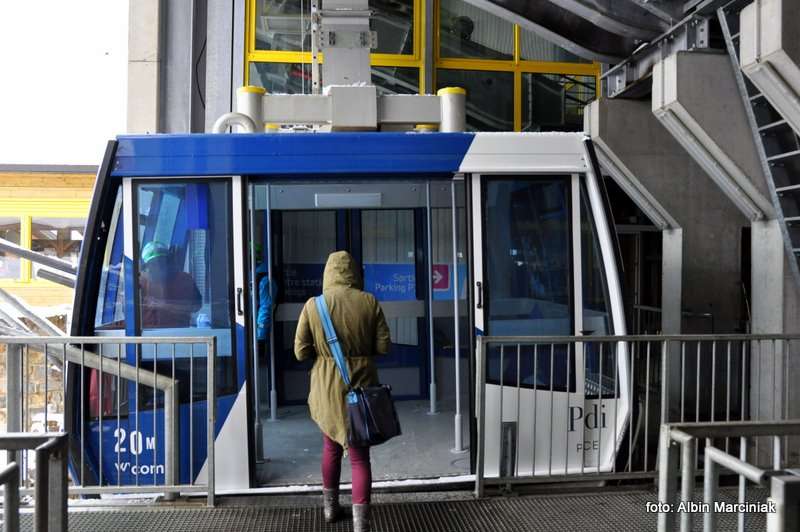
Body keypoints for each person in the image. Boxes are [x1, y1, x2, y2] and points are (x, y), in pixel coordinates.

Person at [294, 251, 391, 532]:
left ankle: (330, 510)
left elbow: (300, 352)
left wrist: (324, 353)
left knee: (330, 447)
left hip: (326, 389)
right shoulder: (369, 301)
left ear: (328, 273)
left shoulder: (314, 306)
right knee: (360, 456)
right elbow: (384, 347)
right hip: (361, 387)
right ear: (354, 274)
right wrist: (360, 353)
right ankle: (361, 523)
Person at [139, 241, 202, 328]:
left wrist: (163, 305)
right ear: (146, 266)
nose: (158, 267)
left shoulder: (184, 280)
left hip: (178, 334)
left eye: (162, 262)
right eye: (153, 264)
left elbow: (196, 306)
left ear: (169, 262)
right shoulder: (139, 283)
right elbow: (127, 310)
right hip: (147, 335)